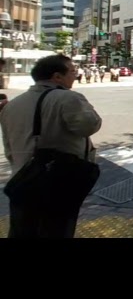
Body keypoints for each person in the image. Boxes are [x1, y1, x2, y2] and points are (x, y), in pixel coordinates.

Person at [0, 54, 102, 238]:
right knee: (56, 230)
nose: (76, 75)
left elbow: (9, 148)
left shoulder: (12, 105)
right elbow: (90, 125)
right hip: (56, 183)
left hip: (22, 181)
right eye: (72, 71)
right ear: (57, 77)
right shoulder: (68, 98)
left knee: (22, 231)